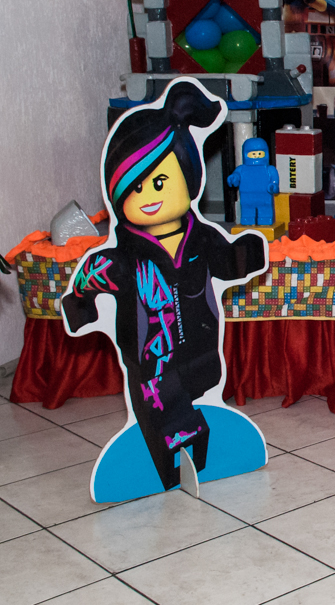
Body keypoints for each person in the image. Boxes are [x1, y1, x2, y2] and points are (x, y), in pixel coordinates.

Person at [60, 80, 268, 500]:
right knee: (175, 430)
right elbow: (84, 287)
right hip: (152, 370)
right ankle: (166, 476)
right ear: (119, 197)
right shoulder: (121, 259)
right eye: (136, 189)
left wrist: (248, 253)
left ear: (189, 177)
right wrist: (79, 307)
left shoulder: (201, 238)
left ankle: (203, 463)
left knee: (199, 421)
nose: (150, 197)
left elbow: (228, 262)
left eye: (159, 183)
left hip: (203, 354)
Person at [226, 138, 279, 226]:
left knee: (265, 209)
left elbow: (275, 180)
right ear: (246, 154)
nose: (256, 156)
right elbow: (236, 175)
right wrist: (233, 178)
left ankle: (265, 220)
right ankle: (247, 220)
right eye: (253, 154)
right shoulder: (242, 169)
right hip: (247, 194)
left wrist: (273, 186)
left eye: (259, 153)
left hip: (264, 194)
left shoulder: (270, 169)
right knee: (247, 209)